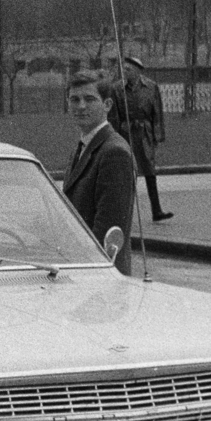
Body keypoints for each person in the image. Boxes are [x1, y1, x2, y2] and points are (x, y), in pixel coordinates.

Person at [61, 70, 136, 275]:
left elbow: (108, 231)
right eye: (74, 99)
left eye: (89, 99)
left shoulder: (114, 153)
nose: (81, 106)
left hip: (100, 273)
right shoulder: (84, 145)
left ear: (107, 105)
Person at [111, 55, 173, 222]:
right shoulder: (117, 89)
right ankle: (124, 212)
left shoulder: (151, 87)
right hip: (125, 133)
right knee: (127, 171)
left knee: (149, 170)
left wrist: (157, 136)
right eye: (124, 69)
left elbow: (157, 112)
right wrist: (114, 137)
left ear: (138, 71)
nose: (125, 72)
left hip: (144, 133)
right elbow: (114, 115)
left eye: (129, 70)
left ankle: (156, 210)